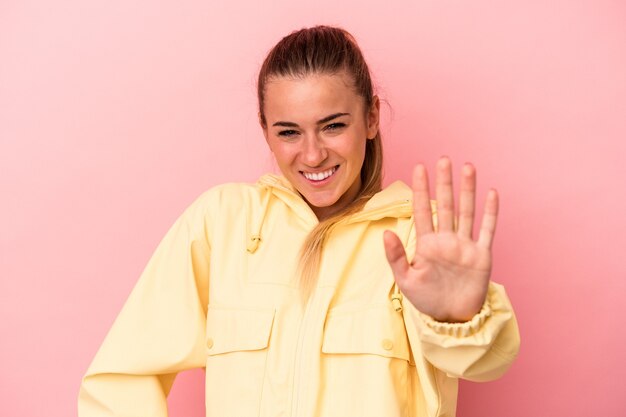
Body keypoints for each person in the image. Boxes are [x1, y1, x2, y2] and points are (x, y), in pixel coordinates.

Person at [78, 25, 520, 417]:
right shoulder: (222, 223)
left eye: (332, 126)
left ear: (370, 117)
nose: (312, 155)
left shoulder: (420, 238)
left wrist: (458, 319)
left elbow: (485, 363)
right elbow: (119, 380)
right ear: (265, 128)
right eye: (288, 132)